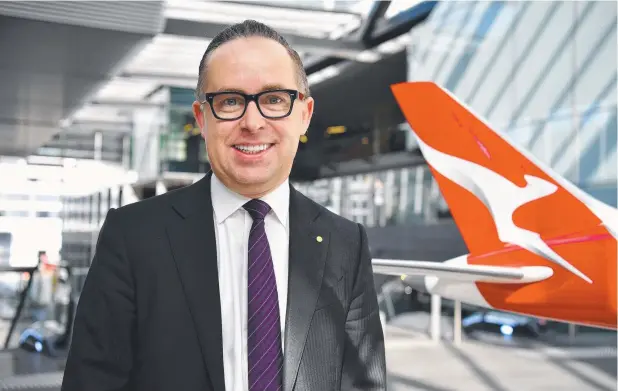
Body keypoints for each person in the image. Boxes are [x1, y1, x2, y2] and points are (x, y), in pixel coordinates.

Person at [62, 19, 386, 391]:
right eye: (230, 101)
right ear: (202, 118)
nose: (252, 122)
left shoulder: (345, 243)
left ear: (304, 114)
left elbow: (365, 384)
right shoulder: (133, 236)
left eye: (274, 100)